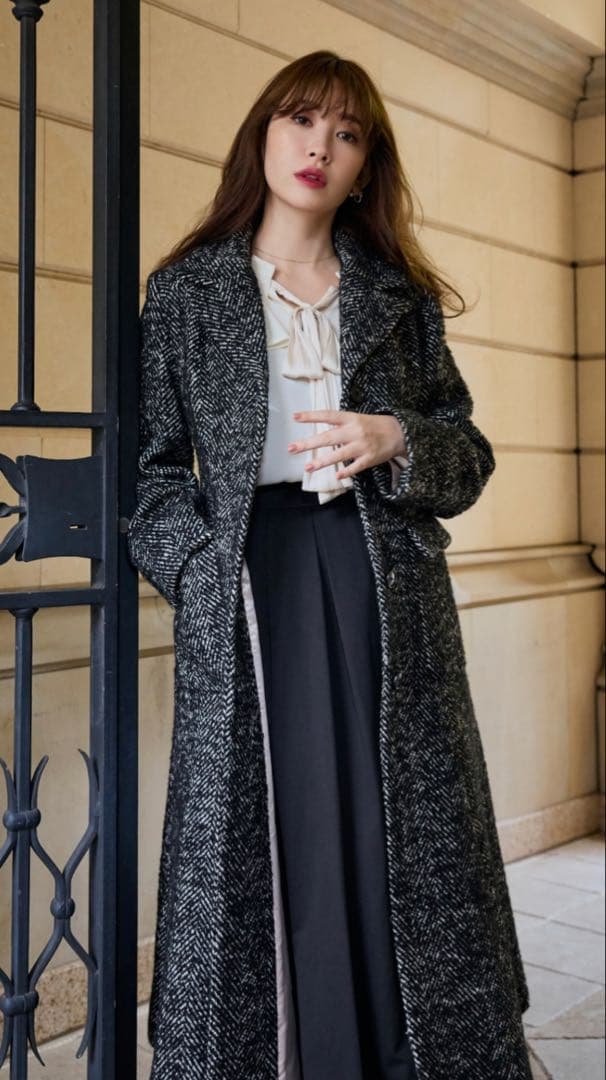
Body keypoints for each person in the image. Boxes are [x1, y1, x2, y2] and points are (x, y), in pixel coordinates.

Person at [127, 49, 533, 1080]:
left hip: (383, 581)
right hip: (249, 586)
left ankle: (414, 1054)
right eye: (302, 119)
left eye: (347, 133)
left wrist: (398, 439)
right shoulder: (186, 293)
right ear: (262, 134)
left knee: (399, 831)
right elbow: (153, 477)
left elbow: (469, 453)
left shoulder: (398, 296)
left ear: (364, 167)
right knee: (275, 833)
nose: (320, 145)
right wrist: (204, 576)